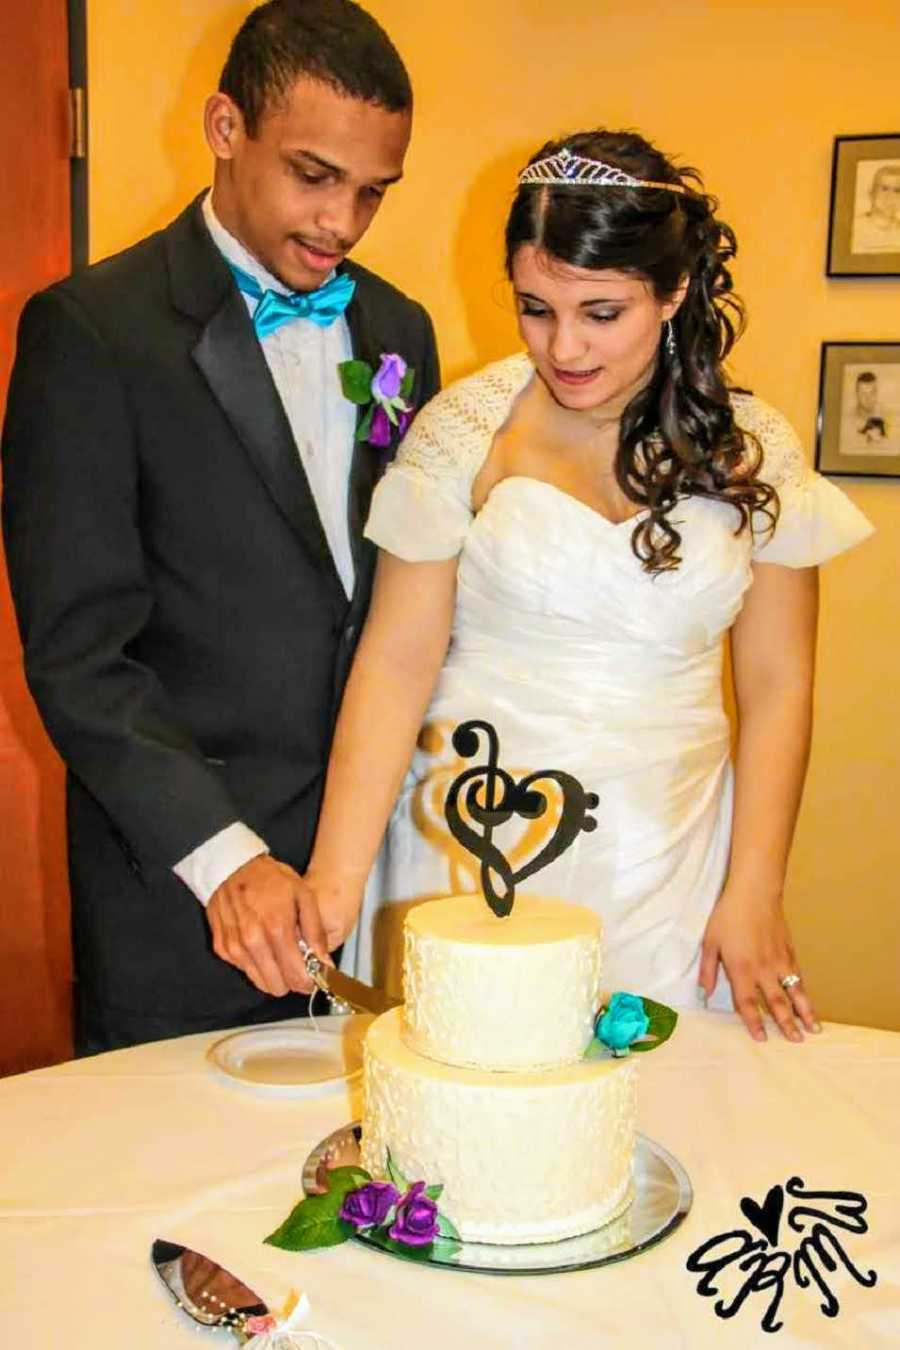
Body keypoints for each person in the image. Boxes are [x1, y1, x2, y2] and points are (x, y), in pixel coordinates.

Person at [302, 129, 873, 1043]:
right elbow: (397, 659)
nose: (563, 347)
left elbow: (779, 688)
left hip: (668, 853)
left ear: (675, 291)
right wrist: (335, 875)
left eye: (602, 313)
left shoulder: (752, 451)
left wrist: (756, 887)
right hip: (469, 835)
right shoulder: (466, 431)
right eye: (536, 308)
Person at [1, 0, 439, 1052]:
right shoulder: (90, 332)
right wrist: (226, 857)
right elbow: (80, 656)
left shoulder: (399, 327)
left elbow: (397, 602)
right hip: (187, 904)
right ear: (224, 127)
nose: (342, 223)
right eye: (314, 175)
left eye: (373, 191)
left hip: (377, 880)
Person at [851, 162, 900, 254]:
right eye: (884, 189)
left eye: (897, 191)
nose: (890, 196)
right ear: (871, 193)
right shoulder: (855, 228)